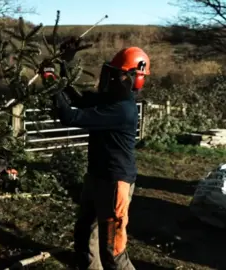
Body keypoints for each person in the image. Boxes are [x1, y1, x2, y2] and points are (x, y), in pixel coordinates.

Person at [51, 47, 150, 270]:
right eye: (113, 73)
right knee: (85, 234)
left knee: (112, 251)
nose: (113, 78)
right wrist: (64, 66)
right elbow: (76, 99)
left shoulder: (122, 109)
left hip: (115, 183)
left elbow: (69, 115)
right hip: (96, 176)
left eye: (120, 74)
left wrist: (50, 84)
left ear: (135, 78)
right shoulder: (109, 99)